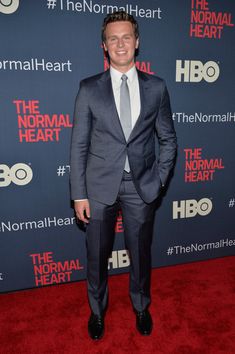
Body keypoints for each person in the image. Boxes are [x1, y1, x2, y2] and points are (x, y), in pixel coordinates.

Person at [70, 11, 177, 340]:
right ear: (104, 45)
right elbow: (79, 145)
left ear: (137, 42)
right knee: (96, 256)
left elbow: (168, 139)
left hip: (140, 187)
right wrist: (79, 194)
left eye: (126, 37)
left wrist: (157, 181)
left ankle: (141, 306)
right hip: (99, 188)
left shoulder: (157, 87)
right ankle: (97, 311)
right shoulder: (89, 89)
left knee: (141, 254)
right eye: (113, 38)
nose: (120, 43)